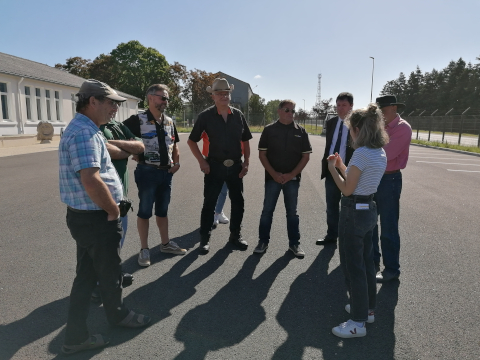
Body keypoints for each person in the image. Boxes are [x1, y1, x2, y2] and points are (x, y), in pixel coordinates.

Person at [59, 79, 150, 355]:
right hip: (97, 219)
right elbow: (90, 179)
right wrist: (113, 211)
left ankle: (76, 337)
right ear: (92, 101)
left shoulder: (88, 128)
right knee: (108, 274)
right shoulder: (84, 133)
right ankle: (118, 316)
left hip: (87, 217)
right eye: (111, 103)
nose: (115, 109)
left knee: (86, 277)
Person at [326, 104, 388, 338]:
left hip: (354, 211)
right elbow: (359, 178)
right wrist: (343, 165)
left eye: (351, 129)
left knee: (354, 266)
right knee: (366, 264)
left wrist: (333, 169)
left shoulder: (362, 153)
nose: (350, 133)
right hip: (369, 208)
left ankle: (358, 322)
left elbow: (347, 188)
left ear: (359, 129)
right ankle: (367, 309)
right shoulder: (379, 152)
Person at [123, 84, 186, 267]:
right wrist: (132, 151)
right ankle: (144, 249)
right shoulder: (138, 120)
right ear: (151, 98)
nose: (166, 101)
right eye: (162, 98)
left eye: (167, 98)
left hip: (166, 173)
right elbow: (120, 136)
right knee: (144, 211)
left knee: (162, 211)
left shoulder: (168, 121)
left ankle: (165, 244)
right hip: (147, 172)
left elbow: (174, 145)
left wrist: (177, 162)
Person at [187, 78, 252, 254]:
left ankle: (235, 236)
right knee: (209, 203)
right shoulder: (205, 116)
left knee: (238, 202)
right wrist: (202, 161)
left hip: (236, 167)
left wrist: (246, 163)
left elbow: (245, 140)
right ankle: (204, 240)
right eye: (220, 93)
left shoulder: (238, 115)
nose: (224, 96)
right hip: (214, 167)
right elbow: (191, 141)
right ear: (213, 97)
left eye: (226, 93)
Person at [254, 100, 312, 257]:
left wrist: (291, 175)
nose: (290, 113)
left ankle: (294, 244)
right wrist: (274, 174)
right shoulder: (269, 130)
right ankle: (263, 241)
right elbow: (262, 155)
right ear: (279, 111)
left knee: (292, 213)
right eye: (287, 110)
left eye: (293, 111)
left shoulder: (301, 132)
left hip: (292, 180)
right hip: (272, 178)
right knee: (267, 211)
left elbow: (305, 157)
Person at [373, 95, 412, 282]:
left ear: (394, 108)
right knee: (370, 223)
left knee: (388, 227)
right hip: (375, 178)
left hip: (389, 180)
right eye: (378, 111)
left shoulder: (403, 128)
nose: (379, 114)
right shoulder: (380, 126)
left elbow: (383, 154)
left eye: (383, 110)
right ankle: (372, 264)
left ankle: (391, 270)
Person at [317, 92, 355, 245]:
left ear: (351, 106)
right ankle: (332, 235)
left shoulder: (357, 124)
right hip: (332, 170)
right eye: (338, 105)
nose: (340, 108)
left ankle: (349, 238)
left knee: (350, 206)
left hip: (350, 171)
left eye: (344, 105)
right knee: (331, 206)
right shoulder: (331, 122)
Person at [201, 131, 230, 227]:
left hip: (228, 161)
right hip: (212, 160)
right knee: (212, 190)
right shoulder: (206, 118)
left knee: (224, 190)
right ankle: (212, 212)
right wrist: (201, 161)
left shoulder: (231, 118)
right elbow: (192, 140)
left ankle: (218, 212)